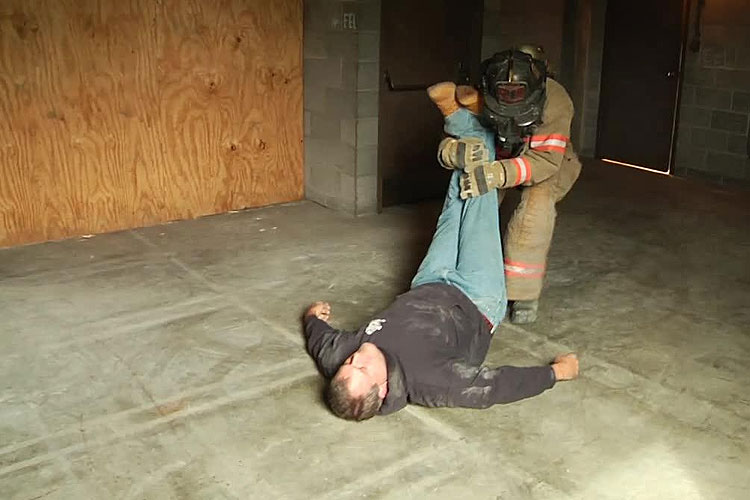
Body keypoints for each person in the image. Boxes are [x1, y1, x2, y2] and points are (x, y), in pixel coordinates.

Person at [303, 90, 579, 421]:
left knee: (456, 198)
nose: (355, 358)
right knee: (478, 191)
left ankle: (466, 130)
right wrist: (555, 374)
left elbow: (319, 341)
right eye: (361, 367)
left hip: (430, 280)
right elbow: (494, 386)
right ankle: (466, 121)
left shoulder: (340, 358)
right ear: (384, 388)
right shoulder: (431, 382)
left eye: (348, 365)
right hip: (476, 297)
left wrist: (312, 317)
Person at [437, 45, 582, 324]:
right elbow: (450, 134)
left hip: (547, 161)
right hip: (498, 155)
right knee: (467, 203)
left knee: (533, 214)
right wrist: (454, 153)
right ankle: (459, 275)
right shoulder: (479, 93)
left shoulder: (556, 100)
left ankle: (523, 294)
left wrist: (496, 174)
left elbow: (546, 160)